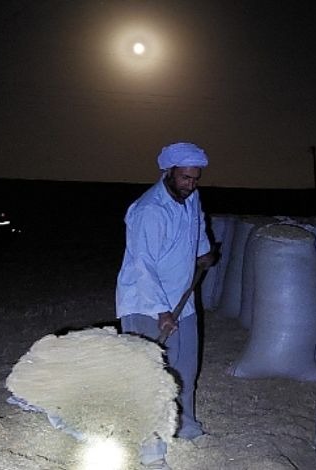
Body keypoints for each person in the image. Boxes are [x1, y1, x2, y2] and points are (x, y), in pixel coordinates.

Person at [115, 142, 215, 469]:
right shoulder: (149, 211)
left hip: (181, 300)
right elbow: (142, 265)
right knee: (150, 376)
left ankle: (186, 426)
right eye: (185, 178)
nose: (191, 184)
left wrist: (203, 251)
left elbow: (196, 226)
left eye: (195, 179)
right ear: (168, 172)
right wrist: (161, 309)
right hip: (146, 303)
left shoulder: (191, 198)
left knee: (185, 369)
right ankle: (150, 449)